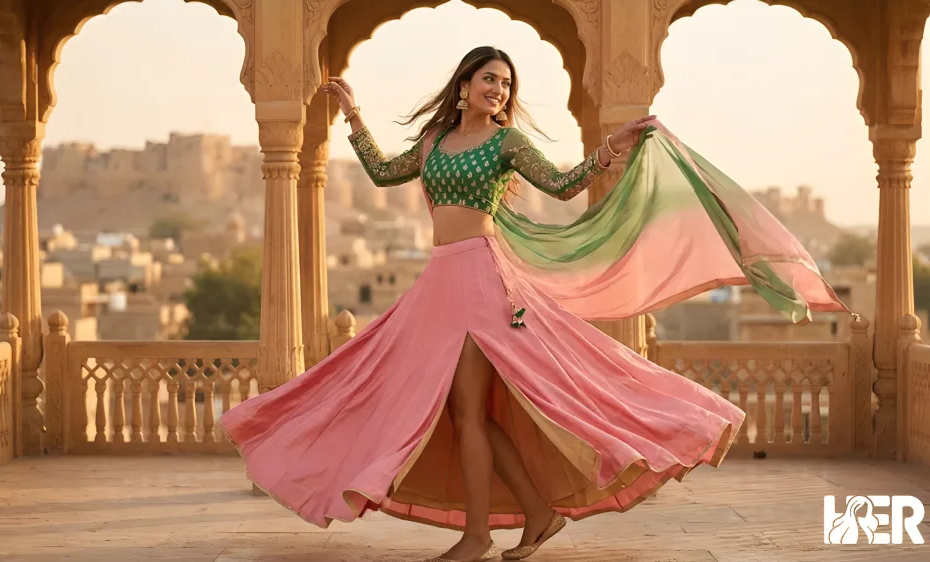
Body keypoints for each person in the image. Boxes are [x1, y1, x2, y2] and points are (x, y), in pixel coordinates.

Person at [220, 46, 848, 562]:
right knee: (465, 413)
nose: (497, 89)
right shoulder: (437, 141)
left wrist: (615, 146)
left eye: (505, 83)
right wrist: (354, 117)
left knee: (470, 412)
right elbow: (385, 173)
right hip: (440, 284)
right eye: (488, 79)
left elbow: (564, 183)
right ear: (463, 84)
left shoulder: (507, 143)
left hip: (483, 283)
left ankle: (477, 535)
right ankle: (538, 514)